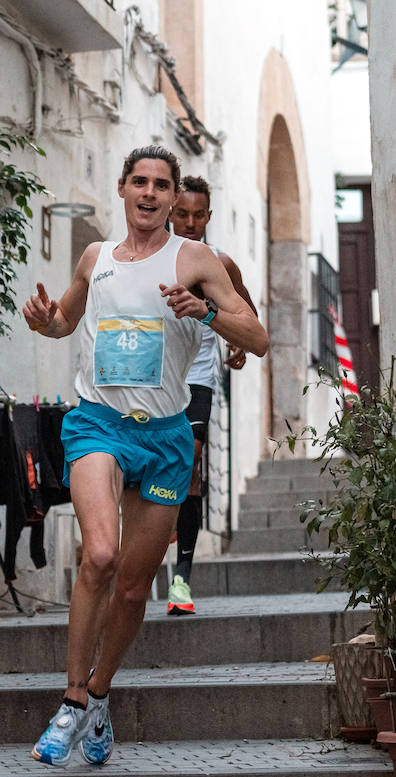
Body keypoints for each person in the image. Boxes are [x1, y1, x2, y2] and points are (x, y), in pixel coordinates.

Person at [21, 146, 269, 766]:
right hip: (97, 424)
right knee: (99, 554)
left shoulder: (198, 260)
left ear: (174, 194)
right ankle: (73, 701)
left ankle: (102, 694)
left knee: (133, 590)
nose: (151, 194)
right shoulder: (94, 257)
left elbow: (258, 338)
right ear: (124, 189)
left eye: (162, 184)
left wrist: (206, 310)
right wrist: (47, 320)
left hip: (164, 437)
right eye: (141, 182)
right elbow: (64, 322)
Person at [164, 175, 257, 615]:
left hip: (197, 380)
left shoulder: (219, 263)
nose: (190, 222)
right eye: (182, 214)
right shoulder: (151, 259)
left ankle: (181, 577)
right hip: (153, 382)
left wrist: (235, 341)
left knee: (190, 466)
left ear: (209, 216)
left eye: (198, 215)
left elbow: (249, 316)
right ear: (169, 212)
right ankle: (155, 543)